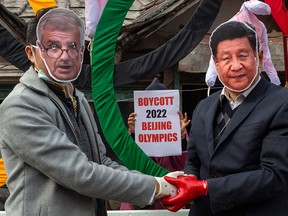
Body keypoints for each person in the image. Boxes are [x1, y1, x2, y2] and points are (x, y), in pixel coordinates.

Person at [0, 8, 184, 216]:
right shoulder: (20, 105)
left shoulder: (77, 97)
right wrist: (156, 187)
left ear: (81, 52)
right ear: (31, 53)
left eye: (72, 47)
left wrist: (160, 184)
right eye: (52, 47)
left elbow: (101, 162)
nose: (65, 56)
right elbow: (80, 173)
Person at [160, 21, 288, 216]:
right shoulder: (203, 107)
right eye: (226, 58)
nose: (235, 66)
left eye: (243, 56)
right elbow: (194, 160)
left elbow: (274, 175)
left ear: (259, 57)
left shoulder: (281, 103)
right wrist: (188, 179)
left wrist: (205, 188)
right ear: (216, 63)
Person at [120, 77, 191, 210]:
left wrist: (180, 137)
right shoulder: (135, 128)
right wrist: (135, 133)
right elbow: (131, 161)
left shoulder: (176, 129)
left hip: (170, 197)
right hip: (139, 196)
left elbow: (183, 167)